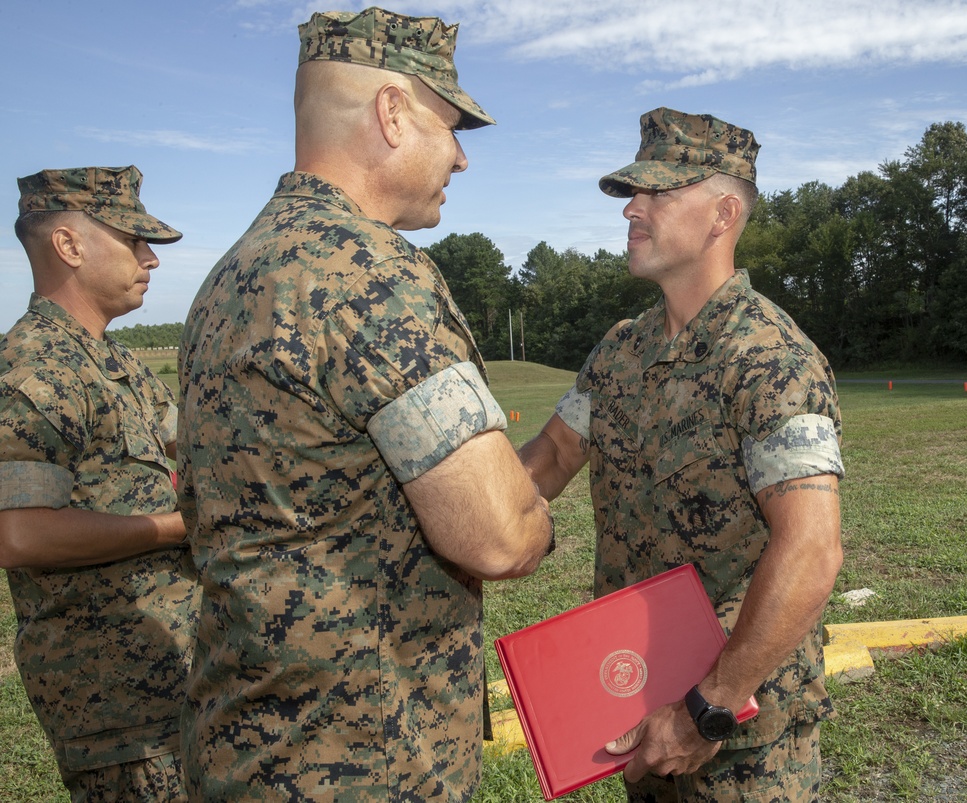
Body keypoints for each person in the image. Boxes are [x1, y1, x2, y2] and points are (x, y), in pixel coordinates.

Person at [176, 7, 553, 801]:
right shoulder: (369, 272)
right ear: (391, 112)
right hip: (363, 759)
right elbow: (495, 535)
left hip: (243, 742)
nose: (458, 156)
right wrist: (537, 520)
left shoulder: (231, 275)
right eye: (450, 127)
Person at [519, 108, 845, 802]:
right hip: (643, 712)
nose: (633, 208)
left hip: (739, 742)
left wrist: (710, 708)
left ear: (723, 213)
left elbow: (811, 550)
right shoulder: (619, 351)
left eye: (658, 192)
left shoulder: (770, 358)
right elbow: (548, 456)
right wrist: (464, 505)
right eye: (633, 193)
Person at [0, 165, 199, 801]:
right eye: (134, 240)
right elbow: (21, 534)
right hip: (116, 709)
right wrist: (179, 526)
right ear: (70, 245)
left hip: (177, 680)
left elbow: (189, 455)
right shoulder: (32, 369)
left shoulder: (115, 364)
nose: (151, 259)